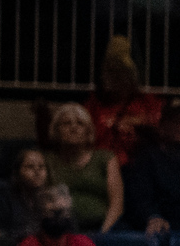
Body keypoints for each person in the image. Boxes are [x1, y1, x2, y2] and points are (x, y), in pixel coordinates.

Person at [52, 92, 129, 230]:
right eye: (66, 123)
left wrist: (102, 235)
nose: (73, 128)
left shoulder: (106, 158)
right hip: (58, 231)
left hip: (100, 229)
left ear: (88, 131)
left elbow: (117, 204)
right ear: (56, 131)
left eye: (80, 124)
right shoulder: (47, 160)